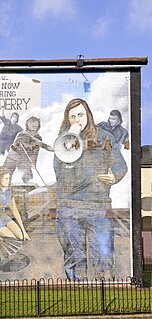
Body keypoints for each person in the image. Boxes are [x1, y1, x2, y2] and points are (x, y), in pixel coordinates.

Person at [53, 98, 128, 279]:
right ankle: (77, 297)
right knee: (74, 257)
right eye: (72, 116)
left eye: (80, 114)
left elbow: (120, 164)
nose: (77, 120)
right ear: (67, 119)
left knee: (103, 256)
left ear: (88, 115)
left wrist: (114, 176)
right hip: (69, 208)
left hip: (98, 207)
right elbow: (59, 174)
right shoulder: (63, 141)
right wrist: (69, 148)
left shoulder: (105, 137)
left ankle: (104, 298)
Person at [3, 116, 53, 183]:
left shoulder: (38, 137)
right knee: (5, 174)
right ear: (27, 124)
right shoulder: (22, 133)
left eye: (35, 125)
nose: (33, 126)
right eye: (31, 124)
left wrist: (33, 163)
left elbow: (35, 152)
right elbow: (17, 144)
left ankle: (29, 188)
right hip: (13, 156)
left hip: (24, 159)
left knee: (28, 177)